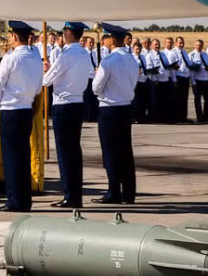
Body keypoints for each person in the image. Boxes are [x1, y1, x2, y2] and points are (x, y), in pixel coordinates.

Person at [0, 21, 41, 212]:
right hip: (26, 108)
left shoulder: (11, 59)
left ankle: (14, 200)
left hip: (11, 109)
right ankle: (24, 198)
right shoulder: (35, 58)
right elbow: (38, 87)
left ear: (14, 37)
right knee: (23, 155)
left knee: (11, 158)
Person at [42, 22, 90, 209]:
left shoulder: (66, 55)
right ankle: (74, 194)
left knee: (65, 153)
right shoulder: (84, 54)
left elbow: (47, 80)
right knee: (74, 152)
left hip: (64, 105)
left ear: (69, 33)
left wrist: (46, 69)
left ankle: (71, 196)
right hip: (78, 103)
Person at [91, 23, 138, 205]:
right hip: (125, 107)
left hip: (109, 109)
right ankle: (128, 192)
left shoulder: (109, 61)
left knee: (110, 152)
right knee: (125, 151)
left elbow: (96, 88)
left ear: (112, 39)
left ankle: (113, 191)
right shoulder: (131, 59)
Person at [187, 39, 208, 122]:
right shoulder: (191, 55)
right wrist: (193, 81)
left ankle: (206, 116)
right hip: (197, 80)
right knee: (197, 100)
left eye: (201, 45)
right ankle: (199, 116)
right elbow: (190, 70)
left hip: (205, 79)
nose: (199, 46)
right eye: (197, 45)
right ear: (195, 45)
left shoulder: (205, 55)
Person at [171, 37, 192, 123]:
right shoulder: (173, 53)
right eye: (180, 43)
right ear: (176, 43)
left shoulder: (184, 52)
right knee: (177, 99)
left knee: (184, 98)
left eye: (183, 43)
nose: (181, 44)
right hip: (178, 77)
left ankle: (183, 116)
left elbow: (188, 64)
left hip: (185, 77)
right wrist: (174, 79)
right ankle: (177, 117)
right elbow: (172, 67)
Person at [131, 42, 149, 123]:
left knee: (143, 100)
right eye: (136, 49)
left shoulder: (142, 57)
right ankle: (135, 117)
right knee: (136, 101)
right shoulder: (131, 58)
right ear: (133, 49)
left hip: (143, 80)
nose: (138, 51)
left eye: (139, 49)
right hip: (135, 81)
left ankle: (142, 117)